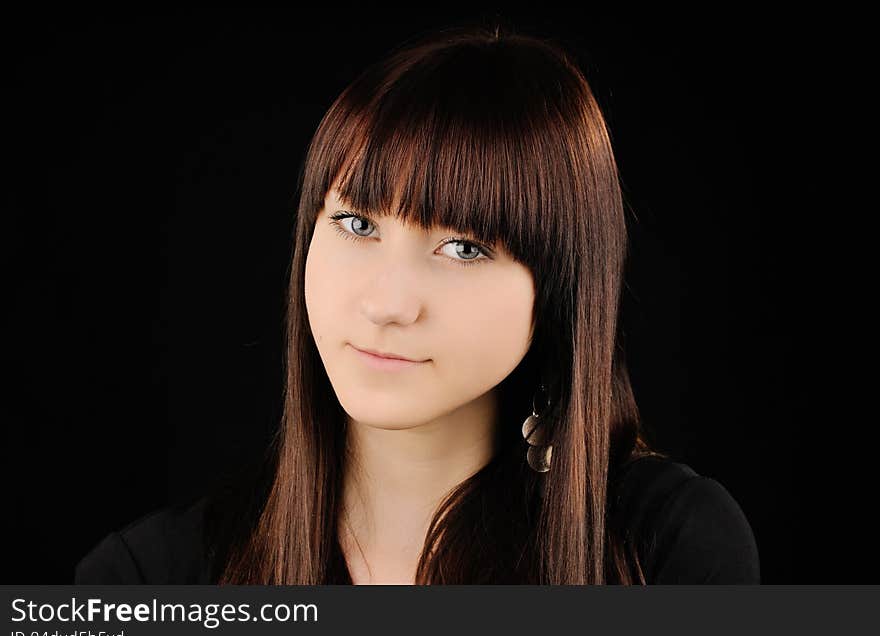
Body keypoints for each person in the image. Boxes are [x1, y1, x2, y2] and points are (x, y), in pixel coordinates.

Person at [74, 22, 760, 585]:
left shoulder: (664, 549)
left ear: (559, 285)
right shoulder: (152, 581)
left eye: (463, 247)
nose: (386, 303)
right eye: (357, 224)